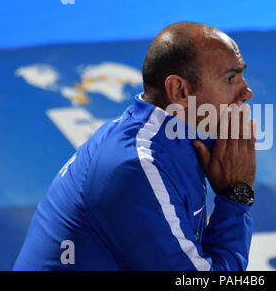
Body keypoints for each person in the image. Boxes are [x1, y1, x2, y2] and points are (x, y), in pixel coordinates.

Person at [13, 21, 256, 270]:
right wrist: (236, 197)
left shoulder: (176, 140)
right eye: (230, 78)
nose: (247, 92)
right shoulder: (138, 165)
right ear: (179, 90)